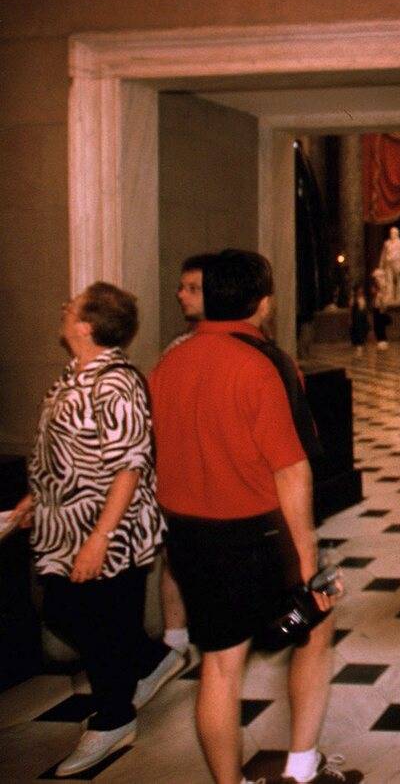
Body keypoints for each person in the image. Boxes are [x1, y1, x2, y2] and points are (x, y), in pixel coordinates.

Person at [149, 250, 359, 784]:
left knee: (220, 664)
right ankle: (302, 765)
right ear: (263, 302)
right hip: (254, 534)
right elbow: (290, 470)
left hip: (189, 535)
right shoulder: (261, 363)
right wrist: (308, 561)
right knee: (316, 624)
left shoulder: (170, 362)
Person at [15, 283, 183, 776]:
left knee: (96, 622)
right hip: (62, 526)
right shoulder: (74, 375)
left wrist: (100, 538)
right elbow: (59, 452)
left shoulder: (116, 382)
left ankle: (114, 719)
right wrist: (34, 499)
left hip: (107, 530)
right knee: (71, 612)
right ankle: (151, 661)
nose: (64, 308)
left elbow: (129, 465)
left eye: (73, 306)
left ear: (86, 326)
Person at [159, 253, 218, 659]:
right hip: (182, 474)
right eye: (181, 287)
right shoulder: (177, 348)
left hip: (219, 474)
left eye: (192, 288)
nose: (181, 295)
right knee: (176, 559)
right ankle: (174, 641)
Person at [377, 226, 400, 307]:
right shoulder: (387, 243)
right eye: (391, 233)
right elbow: (383, 254)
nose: (392, 234)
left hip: (398, 262)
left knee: (399, 280)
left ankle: (398, 297)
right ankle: (390, 296)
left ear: (397, 233)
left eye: (394, 233)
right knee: (389, 281)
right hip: (388, 263)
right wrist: (381, 265)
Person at [348, 285, 369, 358]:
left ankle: (360, 350)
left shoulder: (363, 299)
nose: (361, 291)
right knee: (357, 333)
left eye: (362, 290)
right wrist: (350, 319)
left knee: (362, 333)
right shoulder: (353, 299)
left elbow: (365, 309)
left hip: (362, 318)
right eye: (359, 290)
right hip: (356, 318)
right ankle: (358, 351)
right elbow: (350, 310)